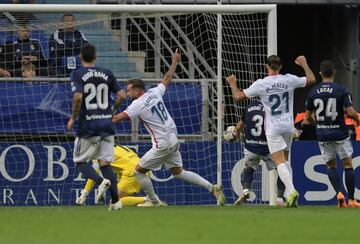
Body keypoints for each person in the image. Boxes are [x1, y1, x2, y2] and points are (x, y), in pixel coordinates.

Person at [113, 49, 225, 206]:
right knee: (178, 172)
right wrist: (174, 62)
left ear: (138, 91)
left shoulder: (137, 104)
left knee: (138, 171)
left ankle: (153, 201)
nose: (128, 93)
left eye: (129, 90)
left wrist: (99, 121)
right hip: (173, 137)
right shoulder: (154, 92)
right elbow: (167, 78)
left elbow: (119, 118)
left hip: (162, 143)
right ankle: (212, 188)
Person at [227, 55, 315, 207]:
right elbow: (311, 79)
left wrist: (233, 84)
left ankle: (292, 191)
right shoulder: (289, 79)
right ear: (280, 67)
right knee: (286, 160)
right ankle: (289, 198)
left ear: (266, 66)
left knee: (279, 162)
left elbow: (238, 97)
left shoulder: (262, 84)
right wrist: (304, 64)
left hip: (273, 128)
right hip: (288, 126)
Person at [67, 43, 126, 211]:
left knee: (80, 161)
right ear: (95, 57)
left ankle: (101, 182)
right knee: (105, 164)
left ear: (80, 57)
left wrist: (73, 118)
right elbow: (121, 95)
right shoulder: (107, 73)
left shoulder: (78, 73)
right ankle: (116, 202)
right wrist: (111, 110)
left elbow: (78, 98)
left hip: (88, 125)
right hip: (106, 124)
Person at [305, 60, 360, 208]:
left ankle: (338, 195)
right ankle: (352, 199)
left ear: (321, 73)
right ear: (334, 72)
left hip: (323, 135)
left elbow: (307, 117)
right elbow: (350, 111)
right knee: (348, 165)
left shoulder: (313, 92)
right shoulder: (341, 90)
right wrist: (357, 119)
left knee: (331, 166)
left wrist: (318, 125)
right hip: (340, 133)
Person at [224, 100, 286, 206]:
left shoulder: (249, 107)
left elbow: (239, 127)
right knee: (282, 168)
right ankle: (280, 199)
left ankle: (245, 191)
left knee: (249, 168)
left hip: (251, 146)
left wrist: (236, 135)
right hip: (267, 147)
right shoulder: (271, 109)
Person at [76, 144, 151, 207]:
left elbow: (93, 176)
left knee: (114, 202)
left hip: (132, 173)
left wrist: (84, 194)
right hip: (143, 170)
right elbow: (121, 168)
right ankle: (144, 202)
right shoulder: (117, 146)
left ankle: (148, 200)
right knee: (120, 198)